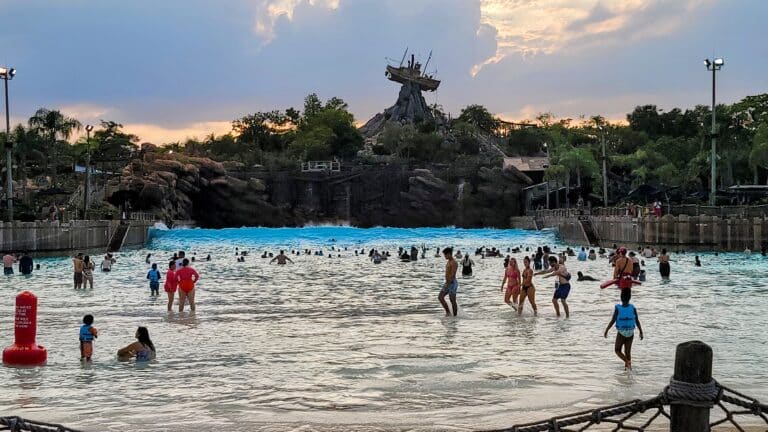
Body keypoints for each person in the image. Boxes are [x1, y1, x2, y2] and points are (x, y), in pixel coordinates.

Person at [603, 289, 644, 370]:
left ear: (621, 297)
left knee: (617, 350)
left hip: (621, 332)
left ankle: (627, 362)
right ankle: (628, 368)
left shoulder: (618, 308)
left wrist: (607, 330)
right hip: (631, 333)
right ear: (630, 297)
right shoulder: (633, 308)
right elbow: (637, 320)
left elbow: (613, 320)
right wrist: (641, 331)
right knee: (627, 352)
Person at [438, 247, 458, 317]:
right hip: (448, 282)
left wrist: (448, 283)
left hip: (452, 283)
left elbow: (453, 274)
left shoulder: (454, 262)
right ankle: (448, 313)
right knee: (440, 297)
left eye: (445, 255)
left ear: (449, 254)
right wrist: (447, 283)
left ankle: (455, 316)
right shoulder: (449, 261)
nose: (445, 256)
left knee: (452, 300)